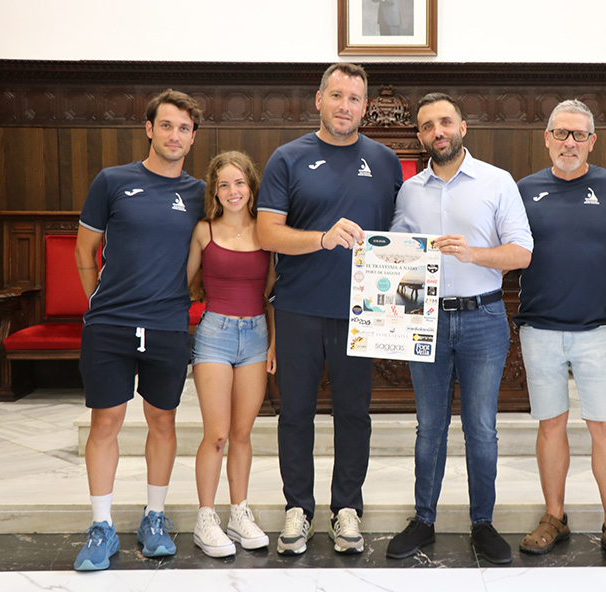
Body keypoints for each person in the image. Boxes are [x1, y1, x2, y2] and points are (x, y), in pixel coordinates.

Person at [257, 63, 402, 556]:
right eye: (336, 96)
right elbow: (266, 233)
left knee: (353, 414)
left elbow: (399, 237)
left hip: (363, 311)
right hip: (298, 308)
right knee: (294, 412)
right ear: (318, 99)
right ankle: (298, 507)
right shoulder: (287, 158)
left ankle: (347, 509)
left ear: (366, 106)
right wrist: (321, 238)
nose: (345, 106)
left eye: (355, 99)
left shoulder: (384, 161)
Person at [385, 93, 533, 565]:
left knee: (481, 428)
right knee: (429, 427)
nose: (437, 132)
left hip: (483, 318)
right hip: (424, 316)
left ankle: (482, 523)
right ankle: (424, 520)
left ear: (463, 127)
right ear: (421, 136)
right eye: (427, 126)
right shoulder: (410, 191)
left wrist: (474, 254)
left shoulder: (497, 181)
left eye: (445, 122)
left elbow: (522, 252)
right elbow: (395, 256)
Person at [73, 89, 205, 571]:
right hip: (109, 324)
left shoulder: (197, 193)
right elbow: (85, 251)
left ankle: (154, 518)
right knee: (105, 423)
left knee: (162, 422)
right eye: (166, 125)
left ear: (193, 138)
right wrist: (97, 303)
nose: (175, 135)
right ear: (149, 128)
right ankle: (102, 526)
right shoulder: (112, 181)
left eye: (184, 128)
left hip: (168, 325)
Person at [514, 100, 606, 567]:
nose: (569, 143)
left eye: (578, 135)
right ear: (546, 137)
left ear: (592, 140)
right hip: (540, 327)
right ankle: (554, 517)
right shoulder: (523, 190)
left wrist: (594, 276)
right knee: (551, 425)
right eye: (561, 134)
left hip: (596, 330)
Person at [186, 151, 275, 558]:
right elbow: (187, 283)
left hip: (256, 334)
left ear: (251, 186)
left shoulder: (267, 232)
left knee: (241, 434)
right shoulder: (204, 230)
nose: (232, 191)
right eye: (224, 184)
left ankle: (239, 512)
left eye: (239, 182)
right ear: (214, 190)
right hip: (215, 333)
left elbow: (272, 293)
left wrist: (273, 342)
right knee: (217, 434)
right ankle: (206, 517)